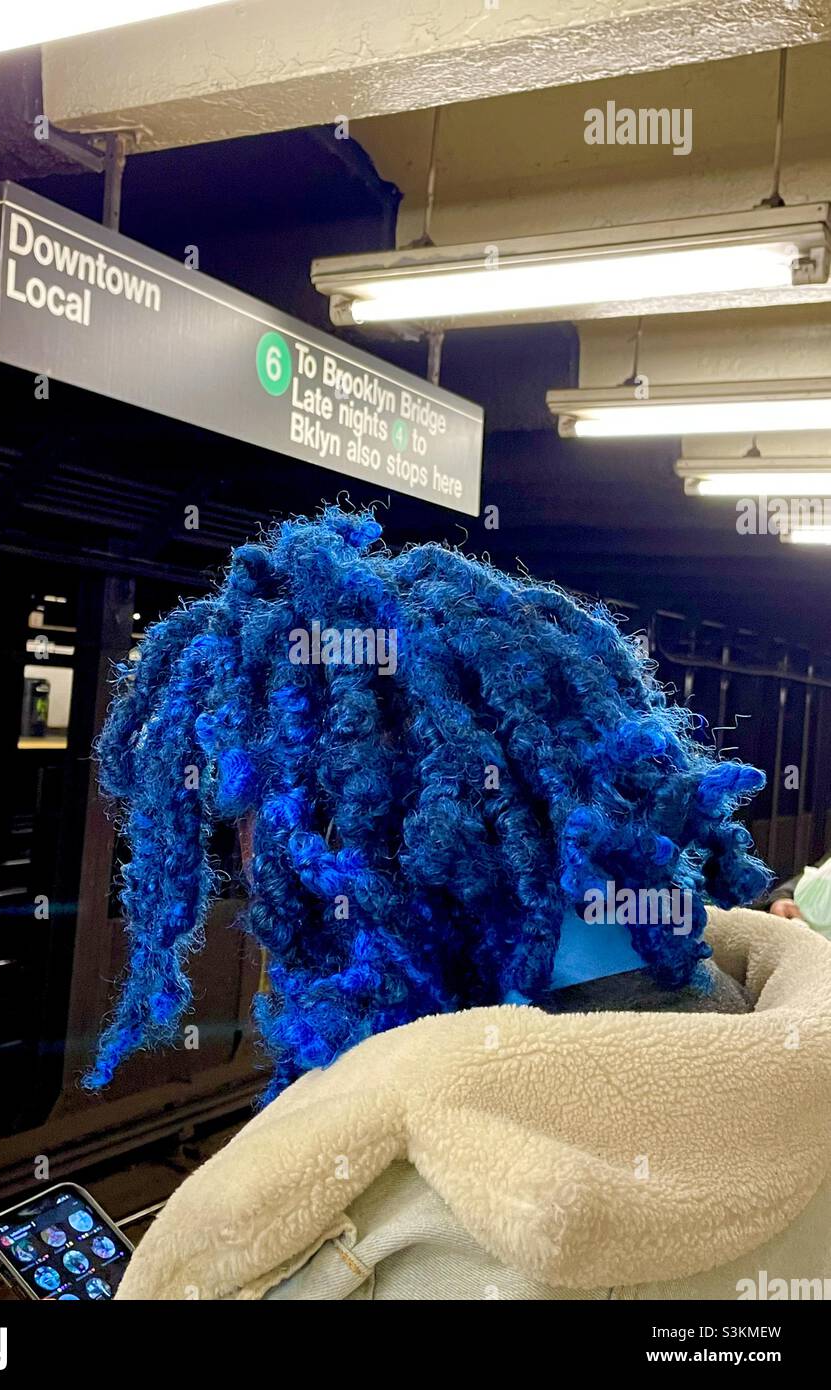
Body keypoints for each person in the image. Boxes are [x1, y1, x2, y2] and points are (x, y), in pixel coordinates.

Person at [88, 507, 831, 1300]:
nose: (253, 870)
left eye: (255, 822)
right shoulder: (760, 1028)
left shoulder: (389, 1234)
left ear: (354, 834)